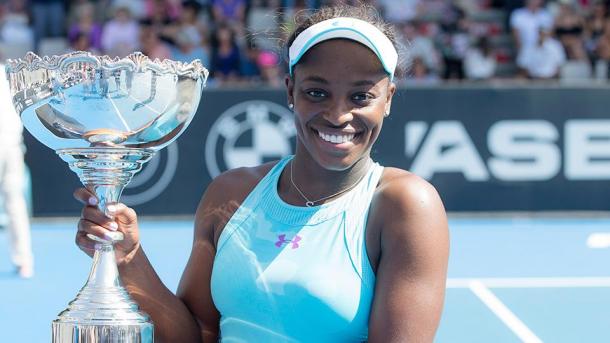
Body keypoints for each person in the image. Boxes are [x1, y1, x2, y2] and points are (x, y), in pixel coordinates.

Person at [73, 4, 449, 342]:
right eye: (317, 92)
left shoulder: (407, 206)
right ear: (290, 90)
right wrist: (128, 257)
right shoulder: (229, 194)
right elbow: (195, 335)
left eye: (360, 96)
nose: (338, 115)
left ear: (389, 99)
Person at [0, 64, 34, 279]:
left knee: (15, 204)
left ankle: (24, 260)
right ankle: (25, 261)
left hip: (11, 143)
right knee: (15, 204)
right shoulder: (10, 73)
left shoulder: (10, 73)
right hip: (13, 143)